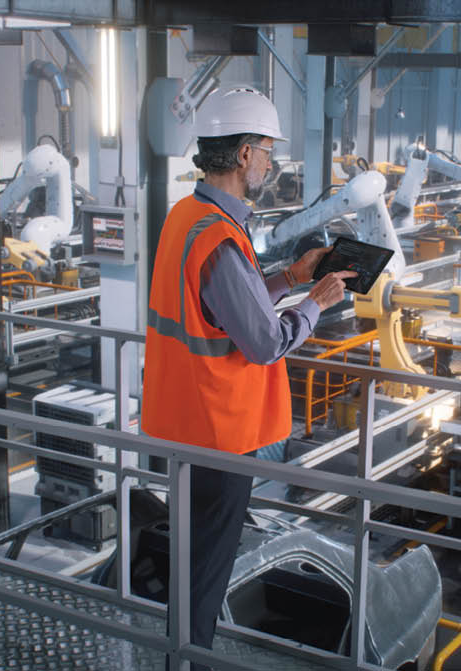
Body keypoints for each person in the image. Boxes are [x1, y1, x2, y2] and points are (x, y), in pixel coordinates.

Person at [140, 86, 355, 669]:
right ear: (241, 156)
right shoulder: (217, 237)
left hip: (182, 424)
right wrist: (316, 302)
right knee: (206, 574)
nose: (269, 162)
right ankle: (187, 660)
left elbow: (225, 310)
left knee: (191, 564)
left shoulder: (189, 218)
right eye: (265, 150)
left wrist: (288, 276)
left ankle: (178, 653)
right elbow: (262, 341)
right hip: (217, 434)